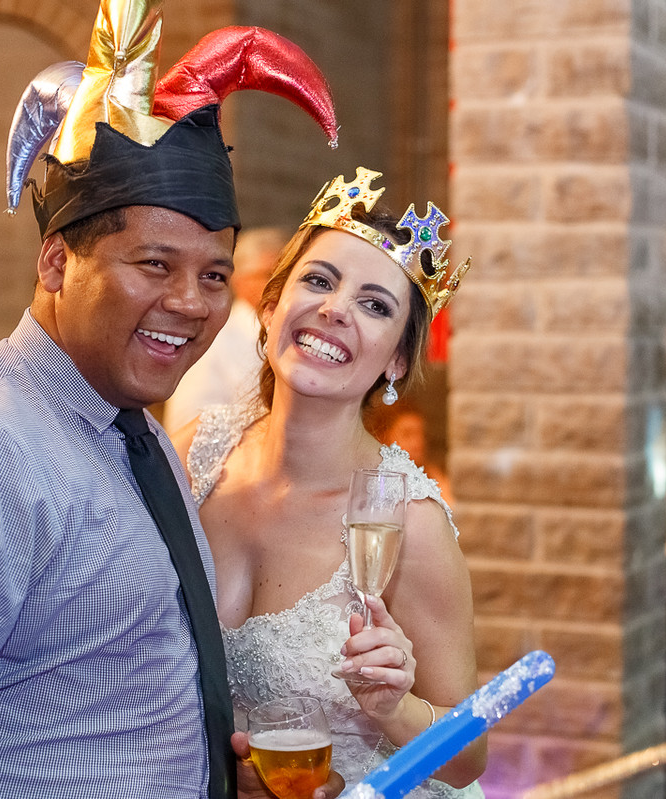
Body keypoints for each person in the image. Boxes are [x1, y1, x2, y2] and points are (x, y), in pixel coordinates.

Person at [0, 3, 341, 797]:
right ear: (57, 262)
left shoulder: (135, 433)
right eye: (154, 264)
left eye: (213, 274)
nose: (192, 303)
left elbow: (102, 703)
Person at [171, 166, 485, 798]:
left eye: (375, 305)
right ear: (269, 306)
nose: (336, 310)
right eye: (318, 281)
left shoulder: (406, 520)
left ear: (396, 358)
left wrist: (394, 706)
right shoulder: (193, 455)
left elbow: (468, 754)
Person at [162, 226, 289, 431]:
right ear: (240, 281)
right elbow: (187, 427)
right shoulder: (213, 339)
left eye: (287, 275)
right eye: (270, 275)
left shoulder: (293, 336)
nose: (282, 284)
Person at [368, 400, 454, 503]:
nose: (417, 443)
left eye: (421, 434)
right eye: (407, 435)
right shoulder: (375, 480)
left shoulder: (432, 475)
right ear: (383, 437)